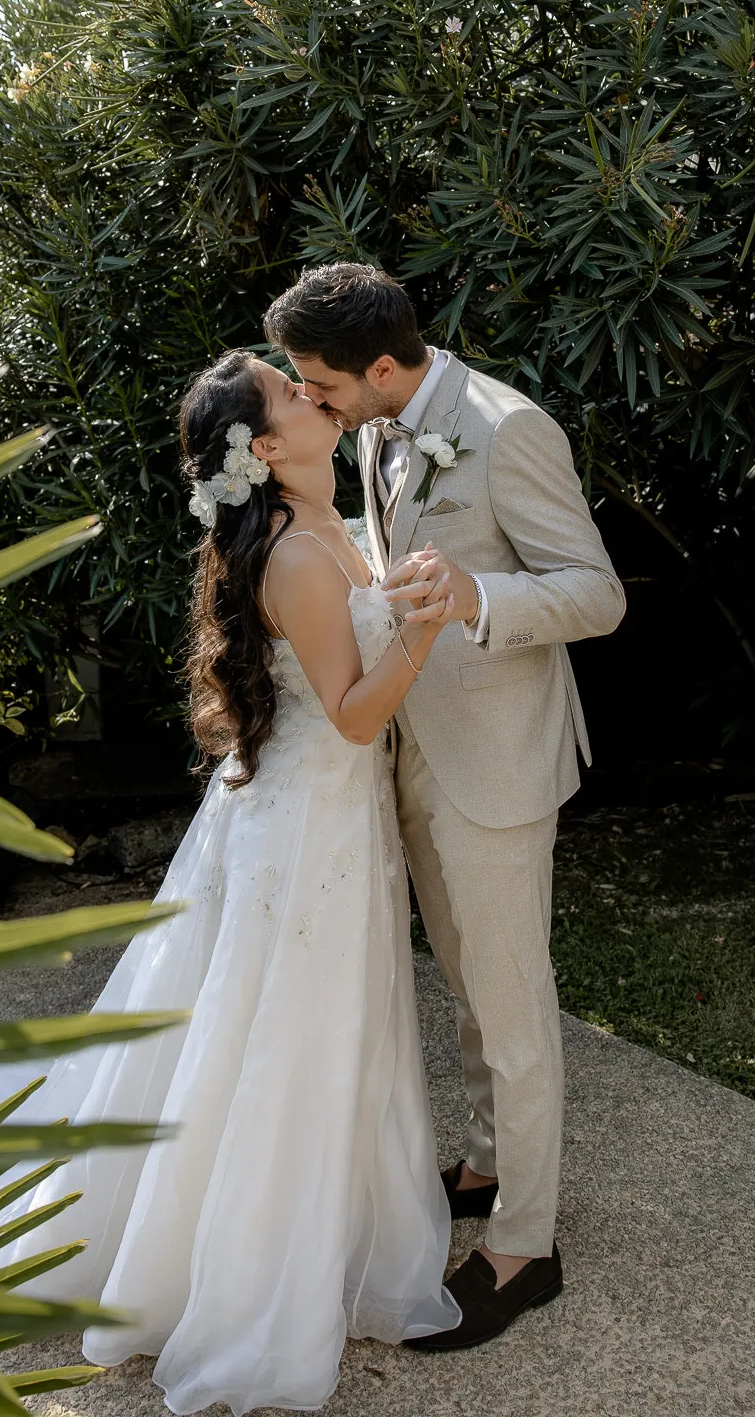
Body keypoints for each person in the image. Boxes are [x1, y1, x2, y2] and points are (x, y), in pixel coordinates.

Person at [0, 347, 462, 1416]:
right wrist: (421, 629)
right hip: (302, 834)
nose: (311, 391)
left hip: (325, 820)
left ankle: (318, 1231)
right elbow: (356, 712)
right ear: (267, 450)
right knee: (284, 1037)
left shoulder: (327, 522)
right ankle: (240, 1279)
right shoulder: (291, 557)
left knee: (308, 1031)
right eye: (291, 393)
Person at [264, 262, 626, 1350]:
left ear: (382, 366)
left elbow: (596, 592)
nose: (311, 403)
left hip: (499, 763)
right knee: (465, 977)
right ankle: (485, 1156)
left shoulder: (509, 430)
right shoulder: (376, 427)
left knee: (514, 999)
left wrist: (478, 598)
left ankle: (526, 1243)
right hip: (414, 749)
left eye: (319, 385)